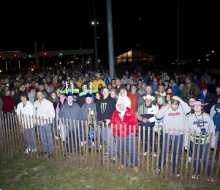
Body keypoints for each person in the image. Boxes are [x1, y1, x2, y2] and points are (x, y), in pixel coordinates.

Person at [156, 96, 191, 177]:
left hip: (179, 135)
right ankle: (159, 167)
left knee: (177, 153)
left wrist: (180, 99)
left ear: (178, 104)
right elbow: (158, 116)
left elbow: (188, 109)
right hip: (167, 134)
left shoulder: (182, 109)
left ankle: (175, 169)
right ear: (170, 103)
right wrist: (165, 108)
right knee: (164, 151)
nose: (174, 106)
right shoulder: (167, 108)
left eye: (176, 105)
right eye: (173, 104)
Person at [186, 101, 215, 182]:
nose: (197, 107)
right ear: (193, 107)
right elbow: (186, 130)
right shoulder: (189, 117)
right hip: (194, 141)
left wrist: (212, 142)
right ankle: (197, 172)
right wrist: (186, 144)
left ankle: (209, 174)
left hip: (206, 141)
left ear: (202, 107)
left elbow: (212, 129)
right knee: (195, 158)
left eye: (199, 106)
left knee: (206, 158)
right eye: (195, 106)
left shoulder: (207, 116)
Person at [111, 98, 139, 172]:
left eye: (121, 104)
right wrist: (114, 134)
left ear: (124, 104)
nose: (120, 105)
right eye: (119, 104)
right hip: (118, 135)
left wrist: (133, 132)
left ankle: (135, 165)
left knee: (131, 151)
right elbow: (113, 123)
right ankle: (123, 163)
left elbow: (135, 123)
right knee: (120, 150)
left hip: (129, 135)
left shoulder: (130, 111)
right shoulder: (115, 113)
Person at [96, 87, 117, 162]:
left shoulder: (112, 101)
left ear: (109, 92)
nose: (105, 92)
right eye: (103, 91)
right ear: (102, 92)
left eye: (106, 91)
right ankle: (109, 151)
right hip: (101, 123)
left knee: (110, 139)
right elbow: (98, 112)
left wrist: (111, 120)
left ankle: (114, 155)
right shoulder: (99, 101)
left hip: (109, 123)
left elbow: (115, 112)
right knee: (105, 139)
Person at [59, 92, 82, 157]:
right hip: (68, 126)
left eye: (71, 98)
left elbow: (80, 114)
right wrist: (65, 123)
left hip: (76, 126)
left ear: (73, 99)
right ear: (66, 98)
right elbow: (61, 115)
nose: (70, 99)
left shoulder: (76, 105)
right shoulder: (63, 107)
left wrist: (79, 121)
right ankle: (69, 151)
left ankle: (78, 150)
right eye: (68, 98)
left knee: (77, 139)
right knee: (69, 139)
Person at [34, 91, 55, 157]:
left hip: (46, 123)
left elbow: (52, 114)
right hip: (39, 123)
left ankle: (51, 151)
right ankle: (44, 150)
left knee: (48, 137)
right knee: (42, 137)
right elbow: (34, 113)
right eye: (37, 95)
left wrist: (49, 121)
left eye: (40, 95)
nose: (39, 96)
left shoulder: (48, 103)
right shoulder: (36, 103)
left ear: (43, 95)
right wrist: (35, 122)